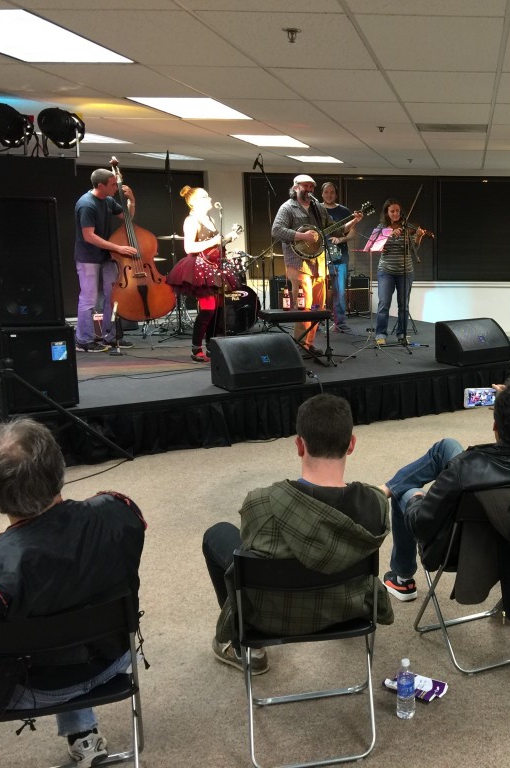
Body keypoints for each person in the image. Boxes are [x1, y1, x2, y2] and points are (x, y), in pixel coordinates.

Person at [0, 419, 146, 768]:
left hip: (38, 687)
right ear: (60, 468)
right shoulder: (120, 510)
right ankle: (84, 736)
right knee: (68, 604)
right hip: (115, 660)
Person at [201, 394, 392, 674]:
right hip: (351, 610)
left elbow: (254, 549)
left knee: (217, 535)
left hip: (271, 617)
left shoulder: (261, 503)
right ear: (351, 445)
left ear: (299, 445)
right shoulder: (375, 504)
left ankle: (247, 648)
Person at [380, 379, 510, 603]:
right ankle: (389, 487)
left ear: (495, 426)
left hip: (463, 551)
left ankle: (402, 579)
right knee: (446, 447)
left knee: (406, 492)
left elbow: (421, 526)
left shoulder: (464, 470)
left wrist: (417, 500)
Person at [271, 174, 361, 350]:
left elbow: (336, 229)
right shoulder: (287, 208)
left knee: (318, 306)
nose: (310, 190)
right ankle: (299, 344)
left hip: (318, 262)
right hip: (297, 262)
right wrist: (301, 236)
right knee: (304, 305)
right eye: (306, 186)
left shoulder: (317, 208)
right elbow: (276, 230)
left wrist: (354, 221)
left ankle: (309, 344)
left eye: (312, 187)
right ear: (296, 187)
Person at [165, 185, 242, 362]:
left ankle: (211, 346)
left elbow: (215, 245)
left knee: (218, 310)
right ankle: (196, 347)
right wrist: (214, 241)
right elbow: (189, 247)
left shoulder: (209, 219)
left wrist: (228, 238)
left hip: (215, 267)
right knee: (208, 309)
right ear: (194, 202)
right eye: (205, 197)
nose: (209, 199)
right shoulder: (191, 221)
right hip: (200, 267)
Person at [73, 168, 138, 353]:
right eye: (112, 184)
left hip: (106, 256)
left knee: (113, 295)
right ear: (100, 185)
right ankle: (83, 340)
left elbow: (127, 218)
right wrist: (118, 248)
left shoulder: (108, 200)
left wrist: (131, 201)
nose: (115, 187)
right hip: (88, 257)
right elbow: (89, 236)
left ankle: (110, 337)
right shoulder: (87, 204)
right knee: (88, 299)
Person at [371, 198, 427, 346]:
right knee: (384, 302)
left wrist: (419, 236)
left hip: (406, 271)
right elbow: (376, 246)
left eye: (397, 211)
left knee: (404, 305)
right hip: (386, 271)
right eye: (392, 211)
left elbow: (413, 249)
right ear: (387, 213)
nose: (396, 214)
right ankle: (380, 334)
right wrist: (389, 234)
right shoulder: (381, 228)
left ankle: (402, 333)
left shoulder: (408, 227)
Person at [319, 182, 358, 334]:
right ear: (322, 194)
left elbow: (353, 233)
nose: (329, 195)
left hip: (340, 257)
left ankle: (339, 323)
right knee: (318, 291)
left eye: (332, 192)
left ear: (336, 194)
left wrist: (340, 240)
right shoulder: (316, 210)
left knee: (340, 291)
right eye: (326, 192)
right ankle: (316, 322)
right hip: (319, 256)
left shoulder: (344, 211)